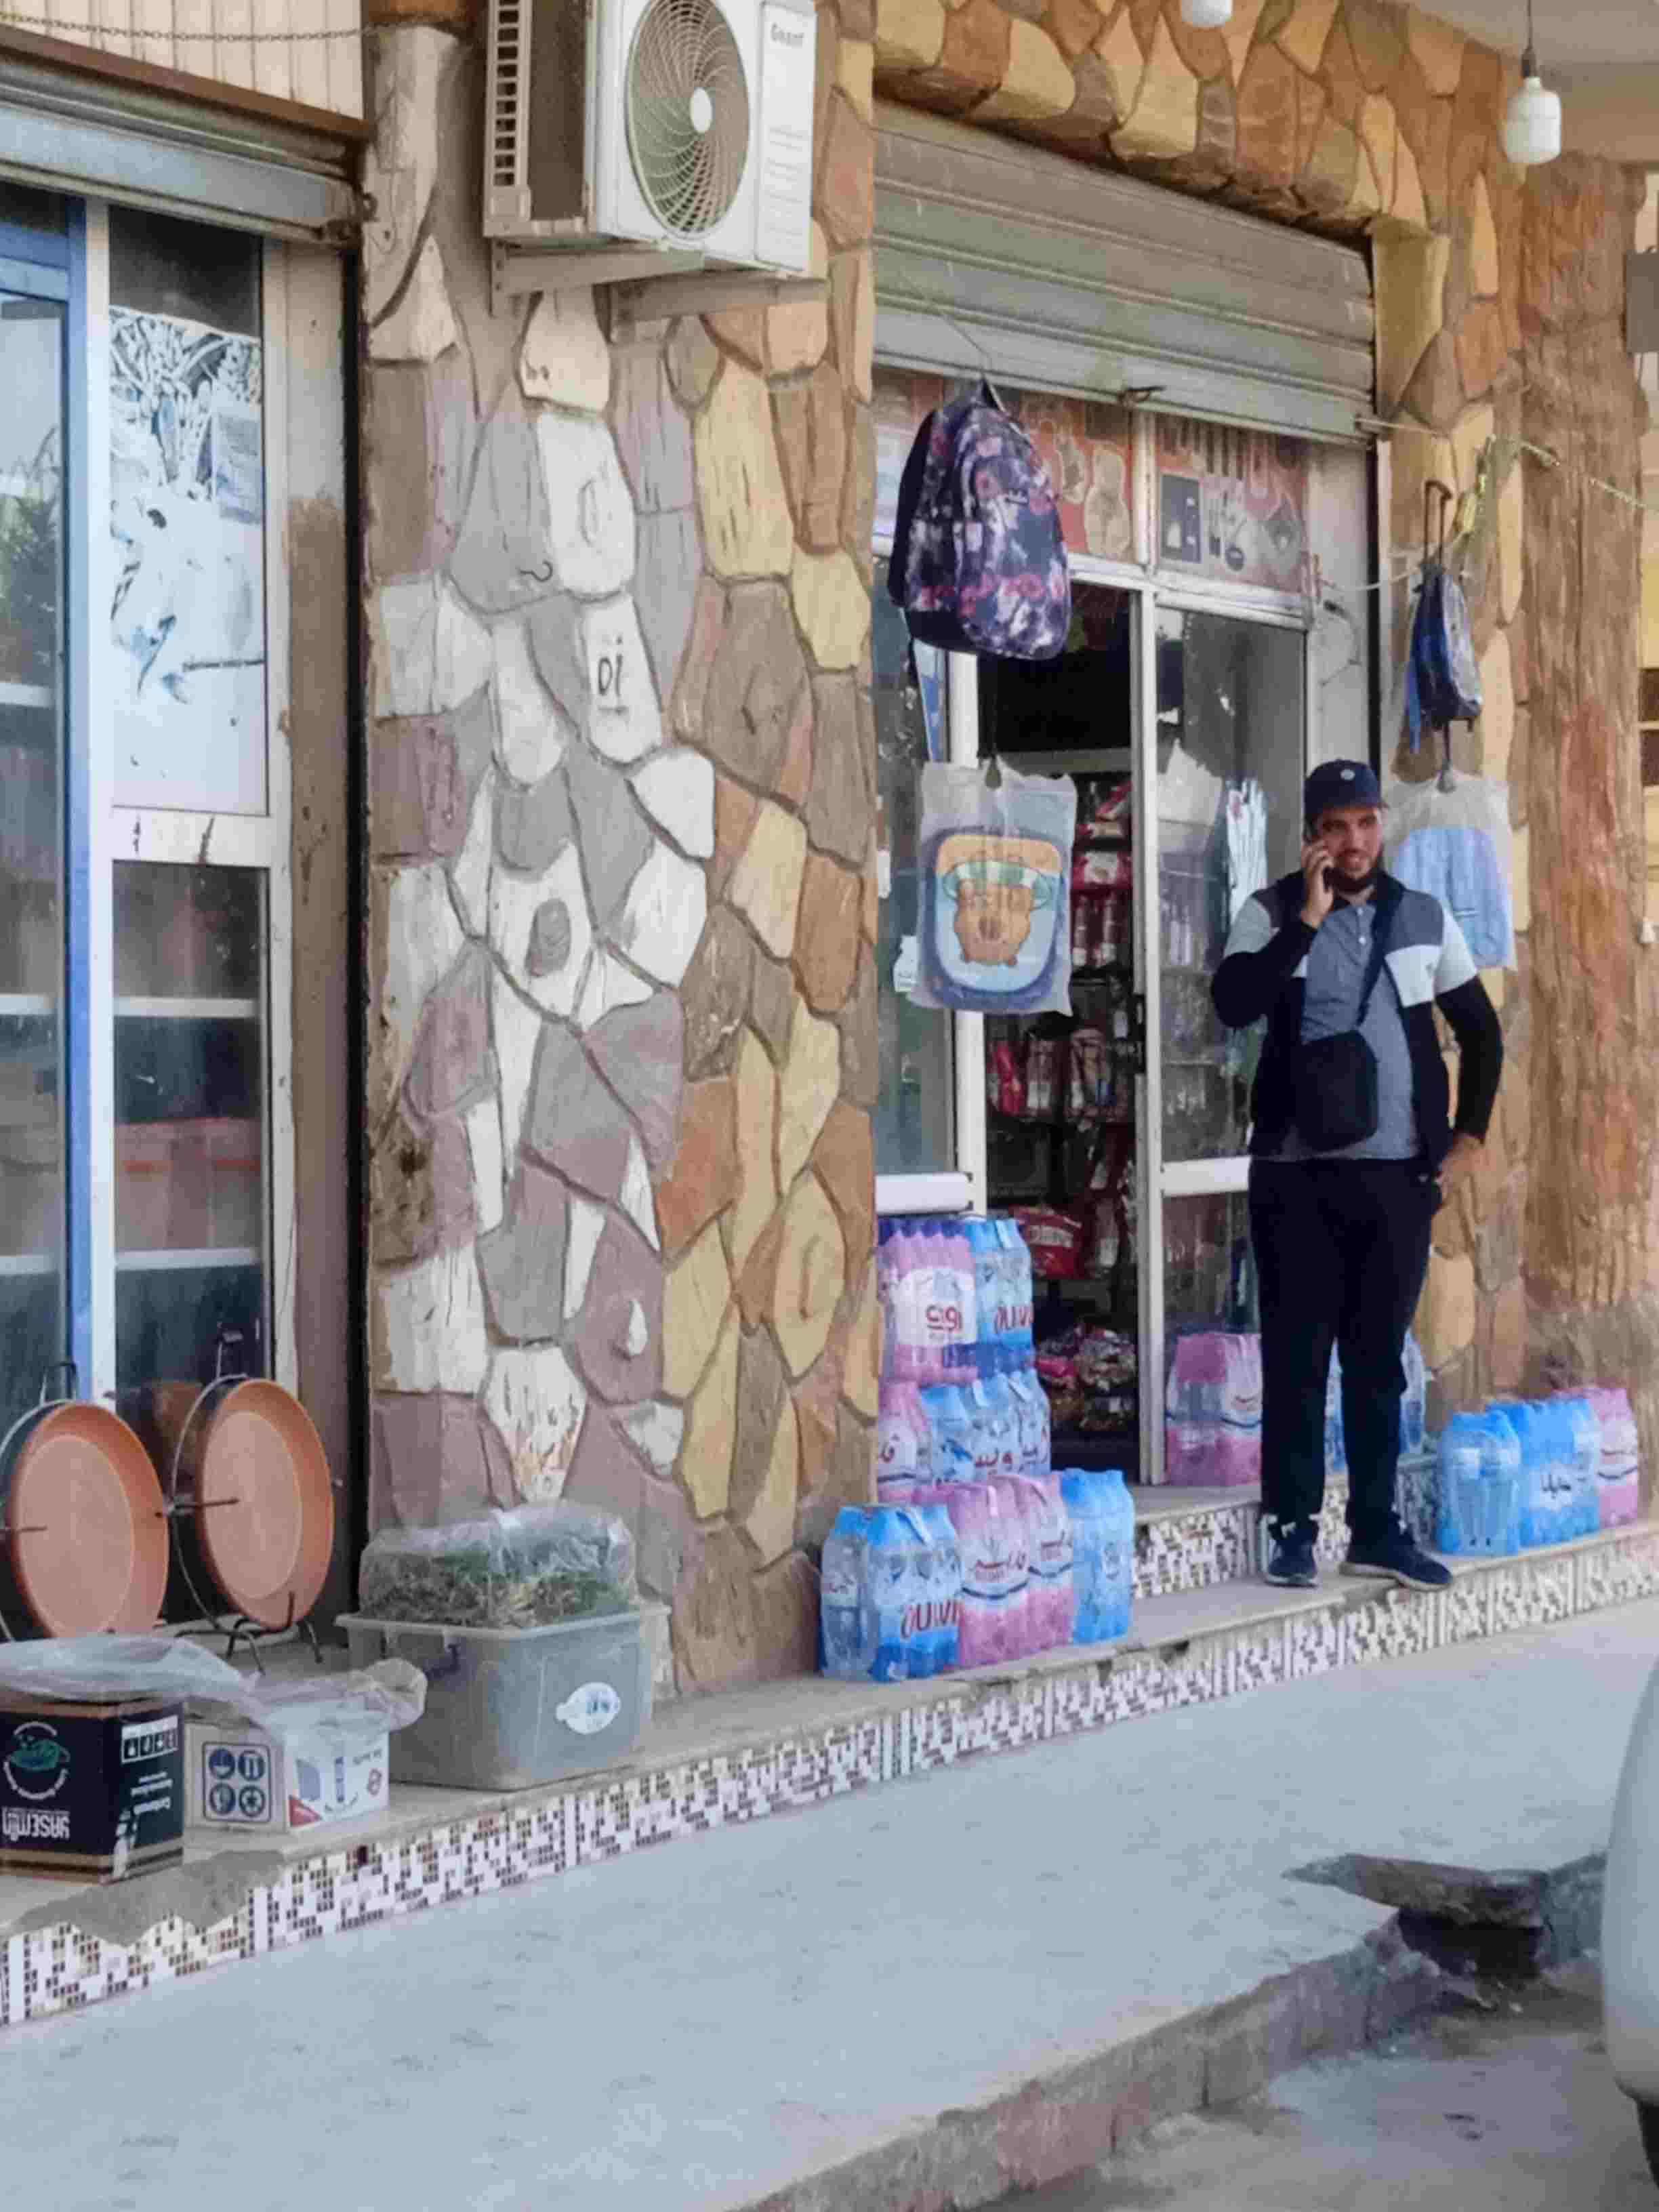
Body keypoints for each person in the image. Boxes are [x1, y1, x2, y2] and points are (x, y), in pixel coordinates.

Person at [1212, 760, 1503, 1591]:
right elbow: (1234, 1003)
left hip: (1398, 1180)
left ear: (1383, 825)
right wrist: (1305, 924)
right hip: (1293, 1178)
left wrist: (1469, 1140)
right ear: (1312, 835)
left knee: (1377, 1366)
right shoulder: (1268, 911)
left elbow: (1482, 1032)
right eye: (1336, 827)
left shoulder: (1421, 916)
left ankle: (1376, 1532)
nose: (1354, 841)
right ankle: (1292, 1531)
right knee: (1297, 1361)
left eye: (1366, 823)